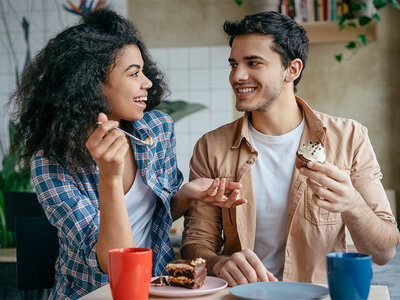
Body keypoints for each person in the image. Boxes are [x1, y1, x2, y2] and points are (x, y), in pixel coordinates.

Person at [9, 9, 246, 300]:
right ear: (91, 83)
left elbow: (152, 220)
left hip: (156, 289)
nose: (147, 82)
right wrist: (109, 175)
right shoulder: (51, 164)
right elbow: (112, 262)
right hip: (91, 294)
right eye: (134, 73)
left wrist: (184, 196)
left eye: (144, 71)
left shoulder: (157, 129)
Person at [181, 11, 399, 285]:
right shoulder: (211, 147)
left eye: (253, 63)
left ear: (292, 70)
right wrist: (218, 263)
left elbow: (384, 251)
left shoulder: (350, 138)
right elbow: (195, 243)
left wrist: (353, 204)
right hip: (243, 295)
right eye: (233, 64)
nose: (238, 75)